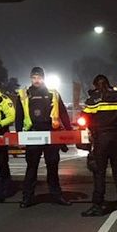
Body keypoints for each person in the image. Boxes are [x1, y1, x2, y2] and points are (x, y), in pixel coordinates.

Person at [15, 66, 71, 207]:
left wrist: (70, 132)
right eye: (34, 77)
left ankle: (56, 195)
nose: (36, 80)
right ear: (30, 78)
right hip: (32, 134)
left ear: (43, 78)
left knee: (52, 167)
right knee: (31, 168)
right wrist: (18, 136)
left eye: (39, 77)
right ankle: (27, 197)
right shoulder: (24, 94)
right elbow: (19, 117)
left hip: (51, 134)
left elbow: (63, 113)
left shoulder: (53, 93)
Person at [81, 75, 117, 216]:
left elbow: (84, 117)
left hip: (101, 140)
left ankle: (97, 205)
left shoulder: (94, 99)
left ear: (96, 85)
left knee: (99, 174)